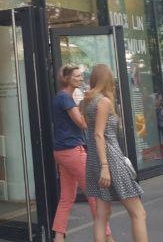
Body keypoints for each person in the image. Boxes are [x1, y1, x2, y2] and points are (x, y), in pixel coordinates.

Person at [82, 64, 148, 242]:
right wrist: (105, 166)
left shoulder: (87, 102)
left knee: (102, 215)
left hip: (94, 159)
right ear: (108, 80)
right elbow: (99, 134)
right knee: (138, 213)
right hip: (110, 159)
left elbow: (92, 131)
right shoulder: (104, 101)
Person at [52, 65, 112, 242]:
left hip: (62, 152)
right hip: (73, 151)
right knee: (94, 194)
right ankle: (107, 236)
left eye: (81, 75)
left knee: (66, 198)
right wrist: (90, 108)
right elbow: (83, 123)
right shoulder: (65, 98)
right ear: (67, 79)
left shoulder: (62, 97)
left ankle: (58, 237)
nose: (80, 78)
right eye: (77, 76)